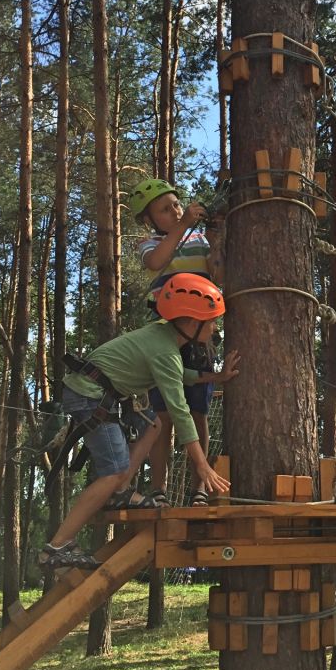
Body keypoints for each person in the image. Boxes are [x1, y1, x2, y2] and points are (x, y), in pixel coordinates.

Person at [39, 273, 237, 570]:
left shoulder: (163, 335)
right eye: (210, 321)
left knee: (153, 424)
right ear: (191, 321)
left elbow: (177, 375)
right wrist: (202, 464)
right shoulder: (166, 351)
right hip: (90, 397)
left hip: (93, 390)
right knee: (112, 472)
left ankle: (120, 491)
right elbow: (180, 412)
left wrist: (214, 377)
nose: (214, 328)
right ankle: (57, 546)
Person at [130, 178, 226, 507]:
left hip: (198, 335)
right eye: (164, 209)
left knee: (198, 412)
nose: (174, 211)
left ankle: (200, 489)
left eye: (176, 204)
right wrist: (182, 226)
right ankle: (159, 489)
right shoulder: (149, 242)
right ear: (149, 220)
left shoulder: (199, 238)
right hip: (163, 334)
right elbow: (157, 262)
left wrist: (214, 240)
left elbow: (217, 275)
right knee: (163, 415)